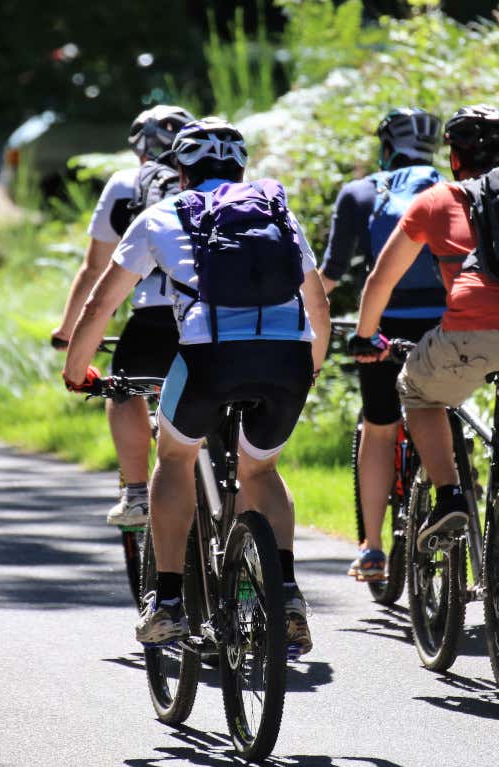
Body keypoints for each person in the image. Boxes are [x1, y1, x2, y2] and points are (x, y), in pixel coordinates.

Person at [62, 118, 331, 654]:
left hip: (210, 359)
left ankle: (166, 602)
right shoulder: (276, 210)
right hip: (288, 358)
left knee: (176, 458)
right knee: (261, 470)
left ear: (179, 171)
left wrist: (76, 371)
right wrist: (312, 366)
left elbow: (101, 303)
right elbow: (317, 304)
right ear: (241, 168)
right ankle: (287, 592)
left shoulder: (159, 215)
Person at [350, 104, 499, 557]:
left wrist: (365, 336)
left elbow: (381, 279)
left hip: (470, 332)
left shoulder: (436, 201)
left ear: (453, 159)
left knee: (417, 391)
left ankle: (450, 494)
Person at [318, 107, 445, 582]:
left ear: (385, 146)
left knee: (379, 427)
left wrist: (293, 309)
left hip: (385, 327)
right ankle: (461, 489)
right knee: (444, 410)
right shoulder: (451, 191)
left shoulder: (362, 192)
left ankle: (372, 547)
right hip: (449, 324)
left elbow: (331, 274)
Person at [52, 104, 194, 527]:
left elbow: (95, 269)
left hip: (153, 318)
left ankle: (135, 493)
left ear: (139, 149)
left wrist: (67, 330)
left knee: (123, 388)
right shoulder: (210, 187)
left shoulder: (126, 185)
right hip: (214, 316)